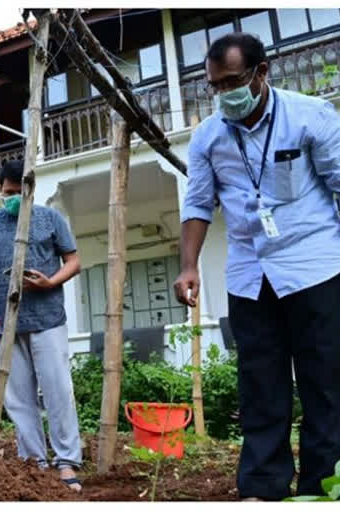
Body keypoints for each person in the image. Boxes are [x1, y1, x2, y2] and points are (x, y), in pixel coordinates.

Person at [174, 32, 340, 501]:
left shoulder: (310, 116)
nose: (225, 94)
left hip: (315, 267)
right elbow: (198, 203)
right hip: (250, 276)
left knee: (324, 382)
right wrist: (189, 266)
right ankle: (263, 489)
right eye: (215, 86)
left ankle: (325, 487)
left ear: (261, 73)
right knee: (260, 386)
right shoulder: (208, 137)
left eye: (233, 81)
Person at [0, 160, 83, 491]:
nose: (12, 198)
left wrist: (50, 282)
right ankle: (34, 460)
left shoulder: (50, 218)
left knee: (57, 391)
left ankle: (67, 461)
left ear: (30, 191)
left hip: (47, 318)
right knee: (18, 397)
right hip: (4, 323)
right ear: (0, 190)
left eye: (19, 193)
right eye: (7, 192)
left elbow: (74, 261)